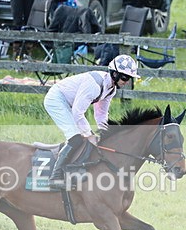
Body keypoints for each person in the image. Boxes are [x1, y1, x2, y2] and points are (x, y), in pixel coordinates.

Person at [43, 54, 140, 189]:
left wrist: (106, 133)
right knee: (76, 137)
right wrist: (89, 134)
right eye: (125, 77)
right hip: (56, 99)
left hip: (69, 103)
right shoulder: (94, 85)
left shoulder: (111, 89)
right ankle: (55, 177)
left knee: (85, 137)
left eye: (129, 78)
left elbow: (101, 114)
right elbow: (78, 112)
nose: (127, 81)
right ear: (115, 74)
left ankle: (75, 169)